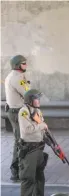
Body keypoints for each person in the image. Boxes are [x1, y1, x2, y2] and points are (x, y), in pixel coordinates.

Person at [18, 89, 48, 196]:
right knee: (29, 178)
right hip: (30, 149)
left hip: (39, 148)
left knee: (40, 177)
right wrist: (42, 127)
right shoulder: (24, 112)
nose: (38, 101)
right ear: (30, 100)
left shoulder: (37, 111)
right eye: (36, 98)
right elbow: (27, 130)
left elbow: (42, 127)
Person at [5, 54, 30, 182]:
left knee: (20, 140)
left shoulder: (16, 76)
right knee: (20, 141)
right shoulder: (16, 78)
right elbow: (27, 93)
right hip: (17, 113)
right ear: (17, 65)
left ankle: (20, 169)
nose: (26, 65)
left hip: (16, 111)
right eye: (23, 63)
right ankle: (15, 171)